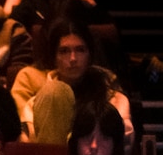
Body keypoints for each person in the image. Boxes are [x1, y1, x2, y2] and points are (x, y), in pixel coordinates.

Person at [11, 19, 132, 147]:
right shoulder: (38, 102)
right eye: (64, 51)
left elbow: (124, 144)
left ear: (89, 55)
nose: (73, 58)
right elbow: (27, 146)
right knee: (54, 92)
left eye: (80, 50)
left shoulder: (114, 99)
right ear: (54, 57)